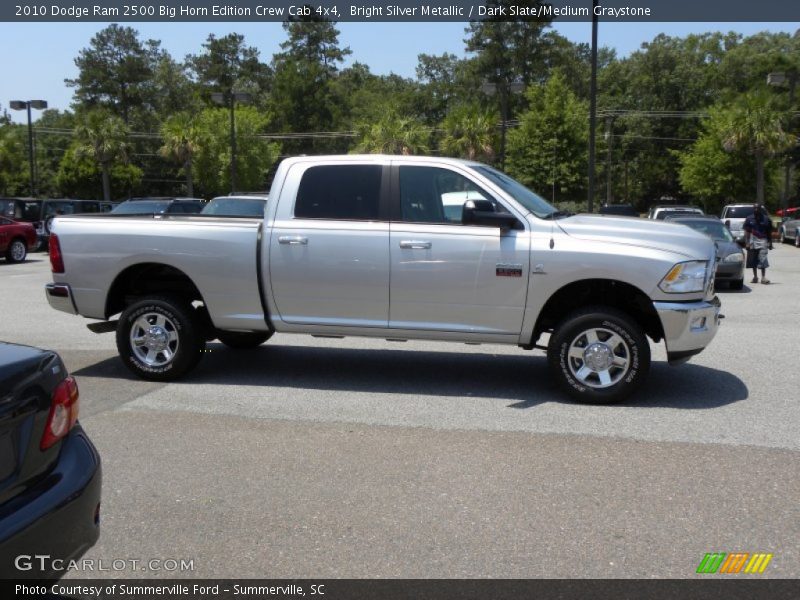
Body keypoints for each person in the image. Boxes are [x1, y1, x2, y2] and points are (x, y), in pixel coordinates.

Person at [743, 203, 773, 284]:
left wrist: (770, 243)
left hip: (763, 240)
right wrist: (747, 243)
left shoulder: (766, 219)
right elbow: (747, 231)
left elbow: (769, 232)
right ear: (753, 209)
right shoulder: (749, 218)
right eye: (755, 208)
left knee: (763, 258)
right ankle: (755, 277)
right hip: (752, 241)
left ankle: (763, 277)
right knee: (753, 259)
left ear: (760, 209)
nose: (756, 209)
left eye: (758, 208)